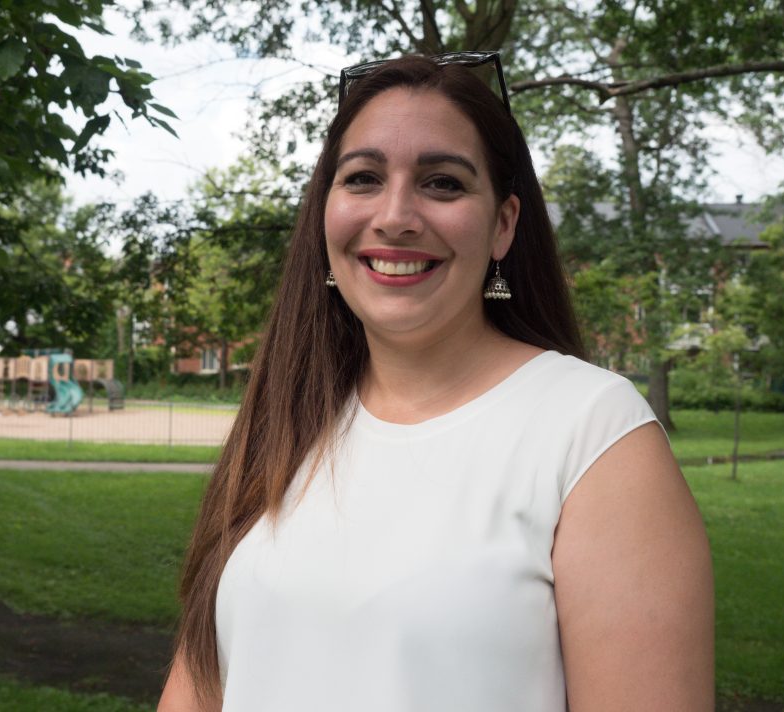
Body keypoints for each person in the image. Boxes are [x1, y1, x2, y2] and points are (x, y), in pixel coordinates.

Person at [158, 54, 714, 712]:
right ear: (324, 213)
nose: (395, 216)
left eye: (442, 184)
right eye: (362, 178)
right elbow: (202, 683)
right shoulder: (287, 419)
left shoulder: (591, 433)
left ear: (503, 224)